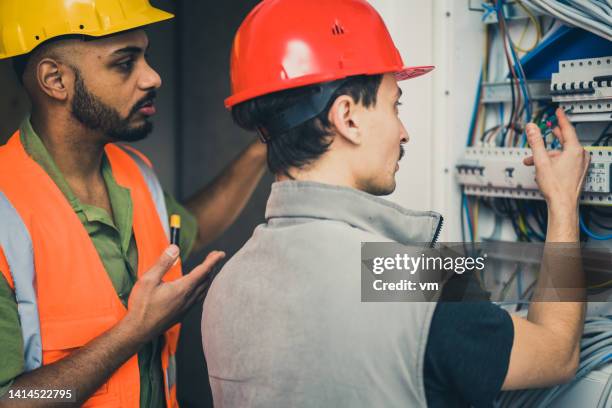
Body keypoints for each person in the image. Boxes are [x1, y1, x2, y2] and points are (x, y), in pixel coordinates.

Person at [202, 0, 590, 406]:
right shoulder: (407, 276)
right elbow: (557, 354)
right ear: (347, 117)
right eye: (394, 105)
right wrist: (563, 204)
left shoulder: (229, 283)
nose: (403, 132)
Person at [0, 1, 266, 406]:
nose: (152, 77)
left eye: (146, 56)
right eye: (125, 63)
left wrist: (264, 147)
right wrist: (135, 329)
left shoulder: (136, 172)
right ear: (55, 79)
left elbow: (188, 230)